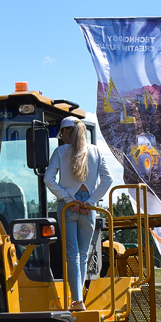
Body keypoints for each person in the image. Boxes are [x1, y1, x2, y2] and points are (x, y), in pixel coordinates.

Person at [44, 117, 112, 311]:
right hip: (89, 209)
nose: (61, 137)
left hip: (68, 208)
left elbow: (49, 179)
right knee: (83, 255)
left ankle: (77, 301)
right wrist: (90, 202)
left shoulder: (61, 151)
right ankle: (78, 299)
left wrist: (67, 198)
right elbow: (108, 180)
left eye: (62, 133)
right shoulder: (96, 151)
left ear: (67, 132)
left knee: (72, 254)